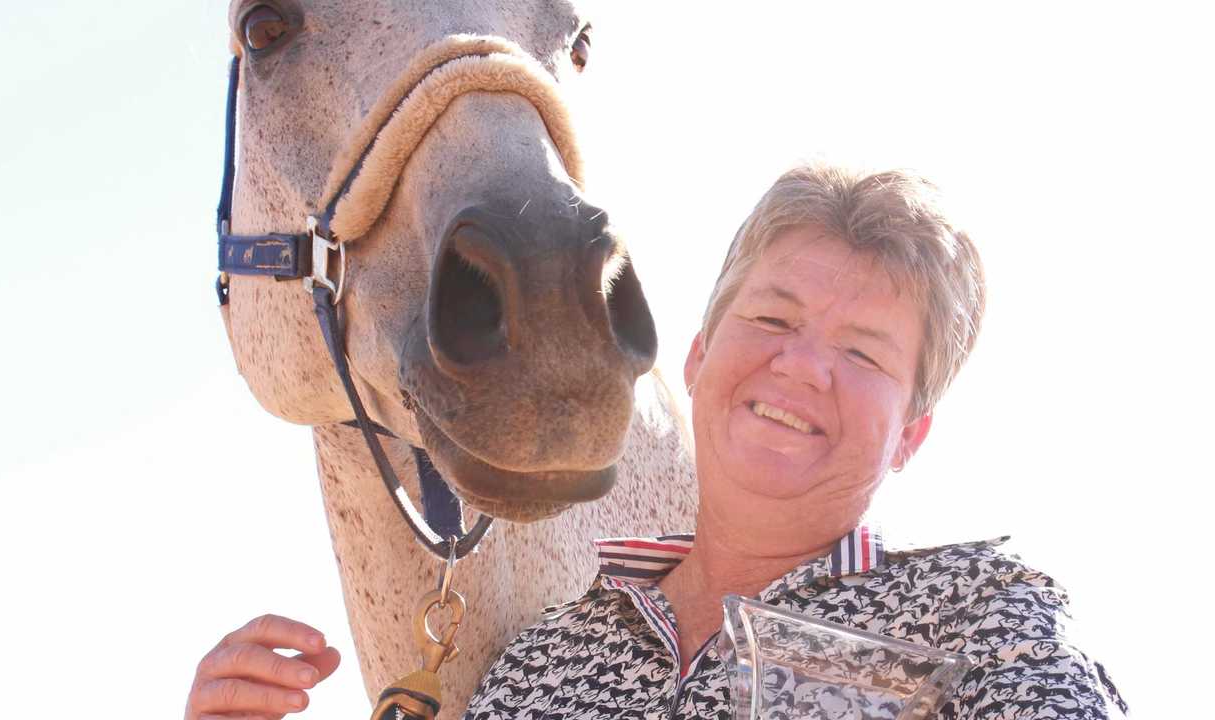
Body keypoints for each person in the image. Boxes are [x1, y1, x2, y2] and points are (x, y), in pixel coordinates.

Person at [461, 163, 1127, 719]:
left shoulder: (983, 618)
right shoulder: (546, 653)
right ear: (697, 357)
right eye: (773, 317)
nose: (801, 365)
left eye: (865, 354)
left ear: (909, 436)